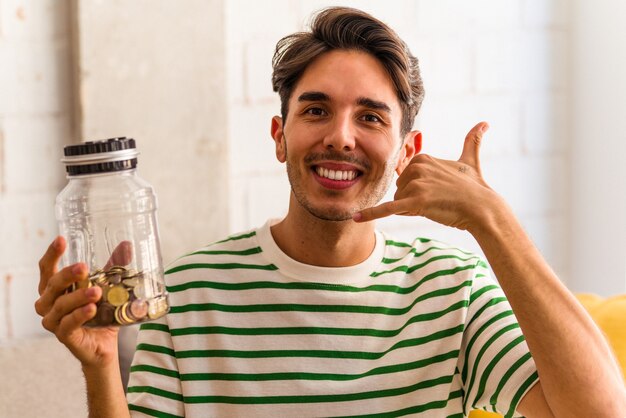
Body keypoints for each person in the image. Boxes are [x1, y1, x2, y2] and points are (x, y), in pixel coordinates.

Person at [35, 7, 625, 418]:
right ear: (280, 136)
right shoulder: (189, 292)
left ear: (405, 153)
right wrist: (101, 367)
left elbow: (600, 412)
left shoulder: (452, 288)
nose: (340, 137)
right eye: (315, 110)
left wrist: (493, 220)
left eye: (370, 117)